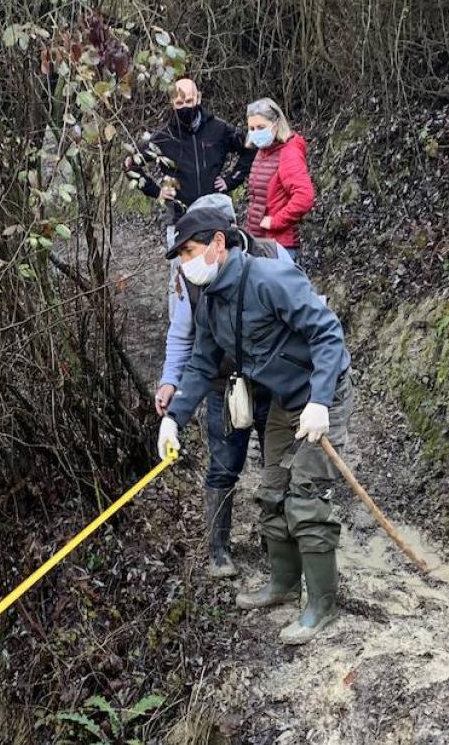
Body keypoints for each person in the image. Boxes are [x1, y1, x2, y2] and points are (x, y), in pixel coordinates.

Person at [155, 212, 353, 645]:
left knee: (305, 499)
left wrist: (320, 401)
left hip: (323, 395)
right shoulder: (209, 300)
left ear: (218, 244)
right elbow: (203, 363)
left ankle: (322, 604)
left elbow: (327, 333)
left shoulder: (270, 278)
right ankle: (283, 584)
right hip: (284, 401)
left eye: (189, 252)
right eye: (182, 256)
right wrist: (174, 419)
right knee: (272, 491)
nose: (186, 263)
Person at [156, 195, 293, 579]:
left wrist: (309, 388)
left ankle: (275, 541)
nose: (186, 260)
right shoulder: (191, 274)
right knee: (224, 463)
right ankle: (218, 550)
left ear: (224, 235)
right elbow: (187, 339)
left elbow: (302, 314)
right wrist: (172, 385)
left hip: (272, 382)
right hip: (222, 382)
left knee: (277, 463)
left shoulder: (270, 258)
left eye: (190, 249)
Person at [124, 78, 255, 225]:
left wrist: (230, 180)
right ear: (172, 102)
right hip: (180, 217)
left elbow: (249, 149)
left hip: (214, 213)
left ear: (198, 98)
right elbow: (130, 163)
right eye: (179, 103)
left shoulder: (218, 129)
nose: (184, 107)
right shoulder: (163, 137)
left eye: (189, 101)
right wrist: (156, 191)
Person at [243, 98, 315, 263]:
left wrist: (276, 221)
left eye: (261, 127)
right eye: (251, 128)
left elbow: (305, 196)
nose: (255, 132)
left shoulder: (289, 153)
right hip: (260, 242)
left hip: (280, 247)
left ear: (276, 125)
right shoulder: (263, 151)